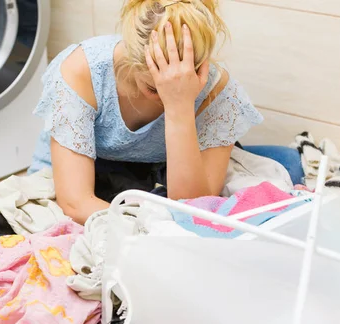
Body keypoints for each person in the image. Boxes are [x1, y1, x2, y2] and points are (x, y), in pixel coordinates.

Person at [28, 0, 302, 224]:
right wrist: (145, 226)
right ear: (132, 61)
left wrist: (180, 106)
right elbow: (75, 202)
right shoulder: (82, 71)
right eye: (154, 88)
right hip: (91, 173)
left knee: (290, 163)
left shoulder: (218, 90)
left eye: (179, 82)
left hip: (159, 171)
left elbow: (192, 206)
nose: (165, 93)